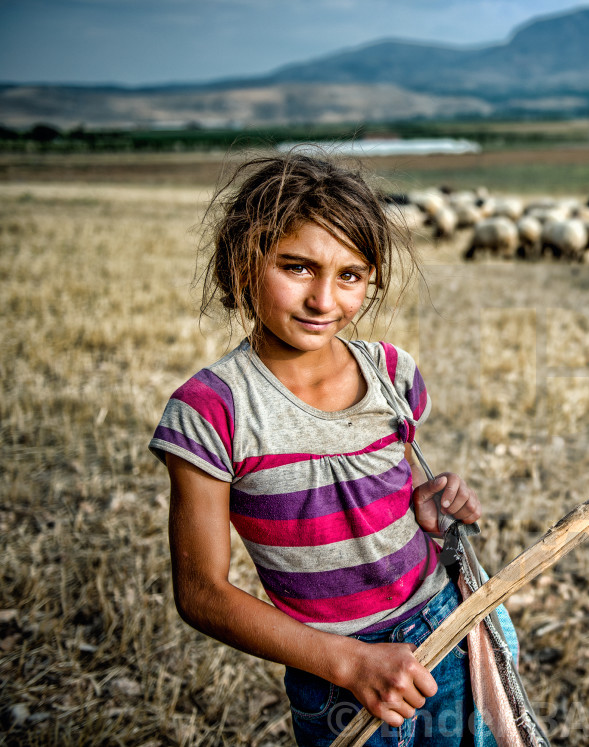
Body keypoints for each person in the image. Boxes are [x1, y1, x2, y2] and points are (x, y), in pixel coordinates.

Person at [148, 152, 481, 747]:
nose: (324, 300)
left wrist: (425, 504)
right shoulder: (212, 409)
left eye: (350, 275)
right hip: (336, 675)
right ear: (244, 262)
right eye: (298, 268)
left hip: (445, 630)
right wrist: (348, 663)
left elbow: (387, 489)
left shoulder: (391, 372)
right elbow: (201, 593)